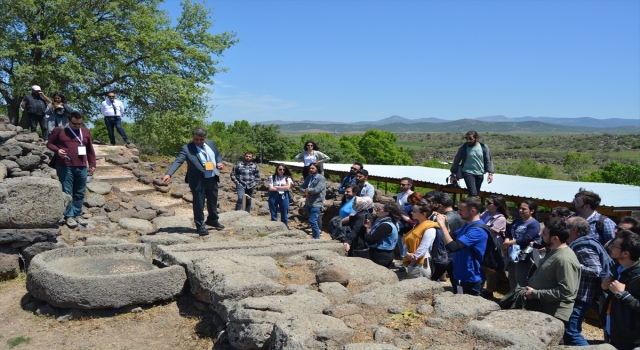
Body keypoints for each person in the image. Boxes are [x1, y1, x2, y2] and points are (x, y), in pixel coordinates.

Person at [161, 128, 224, 235]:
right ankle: (200, 225)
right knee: (199, 203)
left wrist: (219, 162)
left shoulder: (211, 143)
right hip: (198, 180)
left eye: (201, 139)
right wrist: (169, 173)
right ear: (192, 137)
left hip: (212, 177)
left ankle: (213, 219)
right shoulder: (187, 148)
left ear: (205, 138)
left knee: (213, 200)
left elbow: (217, 154)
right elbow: (178, 161)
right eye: (196, 139)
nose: (199, 142)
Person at [564, 216, 614, 346]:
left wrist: (571, 264)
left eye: (566, 225)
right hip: (578, 294)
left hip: (581, 295)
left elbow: (596, 270)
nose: (562, 228)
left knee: (571, 332)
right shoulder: (579, 243)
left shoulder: (583, 246)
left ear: (574, 229)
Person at [46, 111, 96, 228]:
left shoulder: (85, 131)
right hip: (65, 165)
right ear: (69, 121)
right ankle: (69, 216)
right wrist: (57, 150)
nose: (77, 126)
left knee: (80, 191)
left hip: (82, 166)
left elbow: (90, 149)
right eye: (74, 124)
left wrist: (92, 163)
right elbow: (49, 144)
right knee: (67, 191)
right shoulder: (60, 130)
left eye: (79, 124)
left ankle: (78, 214)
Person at [525, 220, 581, 324]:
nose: (541, 235)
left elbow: (567, 291)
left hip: (552, 314)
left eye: (544, 234)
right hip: (542, 309)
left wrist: (535, 294)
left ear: (555, 238)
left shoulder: (564, 259)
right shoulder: (553, 251)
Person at [435, 196, 488, 296]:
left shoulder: (477, 230)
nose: (457, 212)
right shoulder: (468, 225)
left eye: (460, 210)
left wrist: (442, 226)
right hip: (459, 274)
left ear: (473, 210)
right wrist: (445, 224)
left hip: (471, 278)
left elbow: (453, 247)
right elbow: (451, 238)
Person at [601, 230, 640, 350]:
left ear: (625, 253)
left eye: (614, 246)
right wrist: (606, 288)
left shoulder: (637, 276)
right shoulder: (617, 268)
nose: (610, 247)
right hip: (613, 329)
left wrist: (623, 294)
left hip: (630, 338)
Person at [503, 200, 541, 291]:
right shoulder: (518, 220)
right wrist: (506, 243)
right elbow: (509, 233)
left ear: (532, 211)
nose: (520, 210)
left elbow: (525, 240)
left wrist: (508, 243)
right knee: (512, 277)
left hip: (523, 254)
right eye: (520, 208)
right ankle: (513, 298)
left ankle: (522, 300)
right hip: (512, 252)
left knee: (520, 278)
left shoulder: (534, 224)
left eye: (524, 209)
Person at [429, 192, 466, 282]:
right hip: (458, 253)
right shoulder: (461, 216)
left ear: (440, 205)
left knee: (431, 279)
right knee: (456, 282)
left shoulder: (442, 219)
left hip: (445, 254)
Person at [479, 195, 509, 299]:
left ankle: (489, 290)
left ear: (497, 206)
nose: (487, 204)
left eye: (489, 202)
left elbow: (489, 230)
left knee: (490, 268)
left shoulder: (500, 218)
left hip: (493, 247)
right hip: (483, 243)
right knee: (481, 265)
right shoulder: (485, 213)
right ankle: (481, 286)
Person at [449, 130, 494, 197]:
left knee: (475, 193)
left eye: (470, 139)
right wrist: (453, 174)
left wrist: (490, 173)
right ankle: (472, 206)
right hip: (468, 172)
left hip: (480, 173)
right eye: (466, 138)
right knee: (473, 193)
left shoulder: (484, 147)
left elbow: (488, 160)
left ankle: (469, 205)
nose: (468, 141)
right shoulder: (463, 148)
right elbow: (456, 161)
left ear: (476, 138)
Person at [402, 200, 439, 278]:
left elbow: (424, 246)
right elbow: (406, 241)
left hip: (421, 263)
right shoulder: (417, 225)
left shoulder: (430, 228)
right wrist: (407, 253)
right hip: (413, 260)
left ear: (423, 214)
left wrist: (413, 261)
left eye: (414, 211)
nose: (412, 213)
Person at [364, 201, 401, 267]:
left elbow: (371, 240)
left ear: (386, 213)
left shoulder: (385, 226)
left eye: (378, 209)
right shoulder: (393, 221)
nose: (376, 210)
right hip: (387, 253)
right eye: (376, 208)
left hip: (380, 256)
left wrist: (368, 229)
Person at [300, 162, 326, 239]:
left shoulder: (321, 178)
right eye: (310, 168)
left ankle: (316, 237)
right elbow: (302, 188)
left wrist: (307, 191)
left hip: (316, 203)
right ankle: (315, 235)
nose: (311, 170)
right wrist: (307, 191)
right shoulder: (309, 178)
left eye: (313, 168)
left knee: (312, 220)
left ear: (317, 169)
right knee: (313, 220)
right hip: (308, 202)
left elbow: (317, 190)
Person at [268, 164, 293, 228]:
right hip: (273, 195)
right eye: (280, 169)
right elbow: (271, 188)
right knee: (273, 211)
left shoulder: (288, 178)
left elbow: (287, 188)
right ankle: (274, 226)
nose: (282, 171)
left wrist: (276, 187)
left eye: (283, 169)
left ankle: (285, 226)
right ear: (277, 169)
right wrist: (283, 187)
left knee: (284, 211)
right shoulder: (272, 177)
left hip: (284, 195)